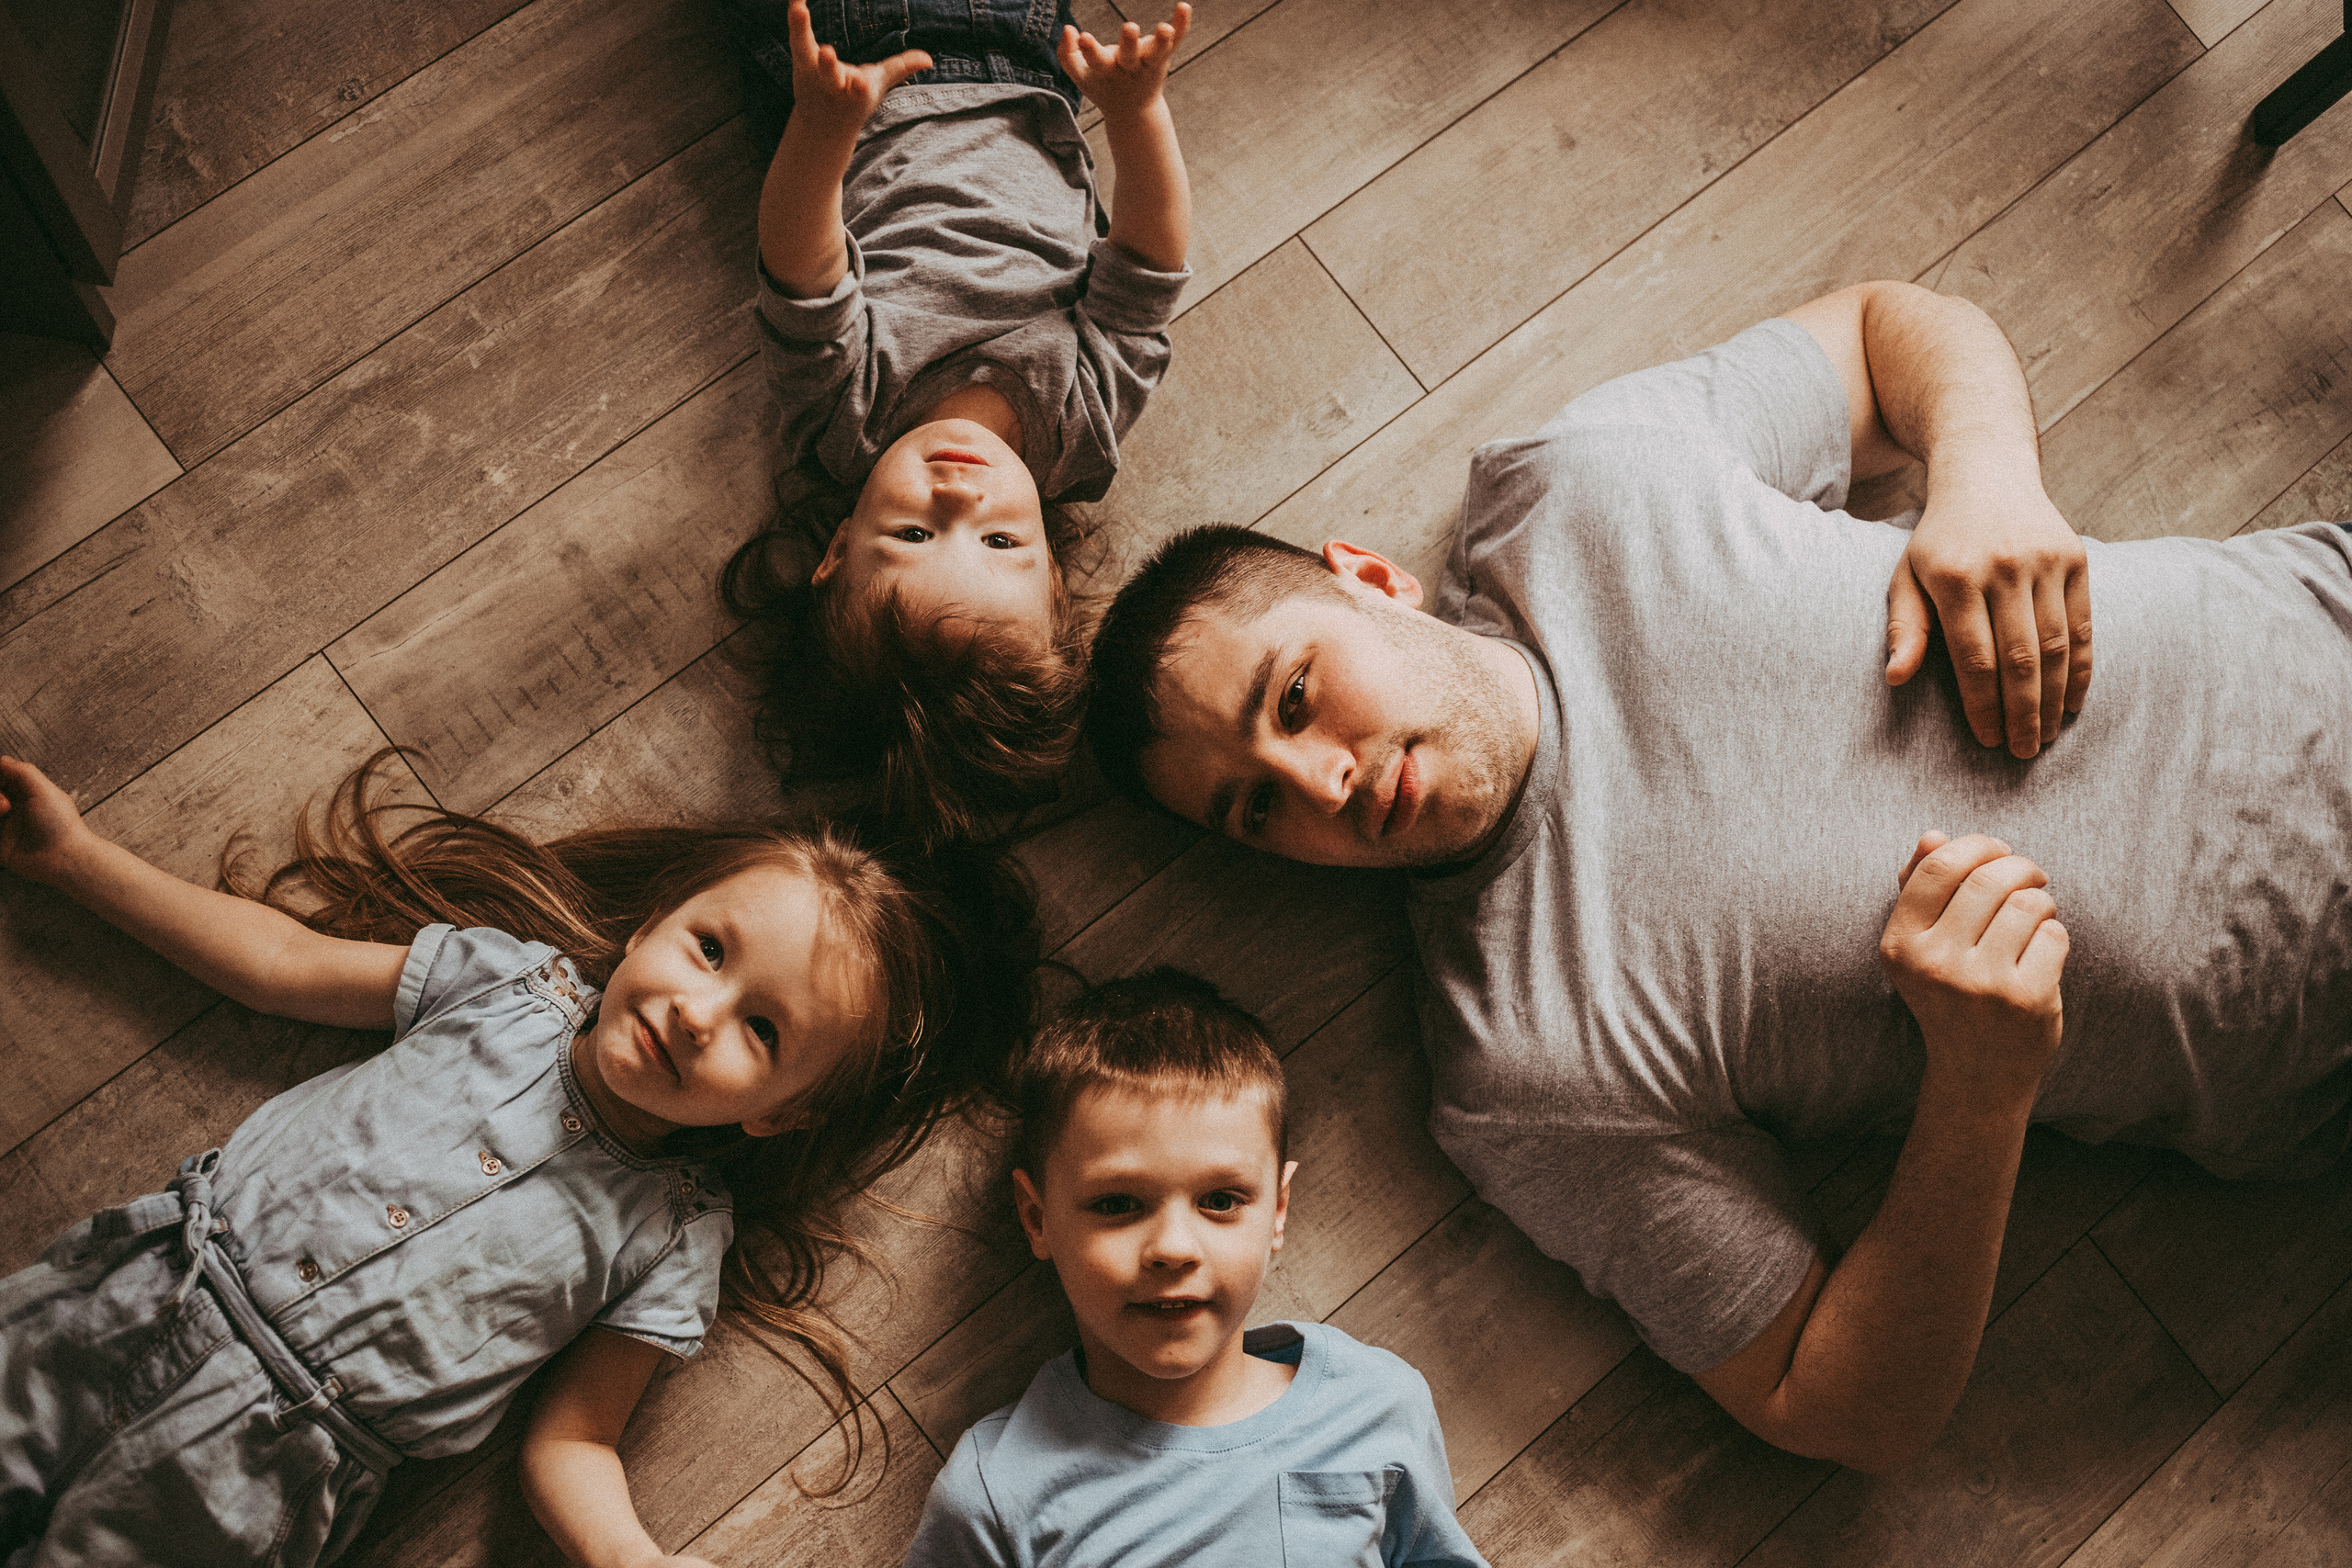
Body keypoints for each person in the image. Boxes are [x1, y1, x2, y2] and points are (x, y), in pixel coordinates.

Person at [1077, 279, 2352, 1471]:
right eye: (1256, 808)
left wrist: (1988, 476)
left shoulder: (1579, 484)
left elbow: (1884, 331)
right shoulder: (1524, 1059)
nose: (1321, 783)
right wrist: (1980, 1086)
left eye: (1293, 695)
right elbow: (1831, 1401)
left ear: (1367, 577)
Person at [0, 749, 1036, 1565]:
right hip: (134, 1294)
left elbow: (571, 1442)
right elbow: (280, 964)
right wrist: (77, 860)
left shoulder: (675, 1237)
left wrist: (626, 1554)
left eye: (763, 1032)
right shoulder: (499, 985)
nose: (697, 1011)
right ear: (645, 930)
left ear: (779, 1115)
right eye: (708, 949)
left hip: (263, 1471)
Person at [721, 0, 1194, 844]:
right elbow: (1149, 271)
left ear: (834, 551)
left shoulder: (847, 420)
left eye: (909, 532)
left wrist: (824, 128)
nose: (958, 500)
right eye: (999, 545)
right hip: (1025, 60)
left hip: (850, 63)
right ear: (1054, 577)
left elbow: (799, 271)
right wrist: (1138, 114)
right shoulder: (1082, 425)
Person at [901, 968, 1489, 1566]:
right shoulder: (996, 1493)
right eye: (1117, 1204)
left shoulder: (1376, 1405)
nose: (1174, 1248)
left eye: (1220, 1200)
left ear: (1278, 1211)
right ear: (1037, 1218)